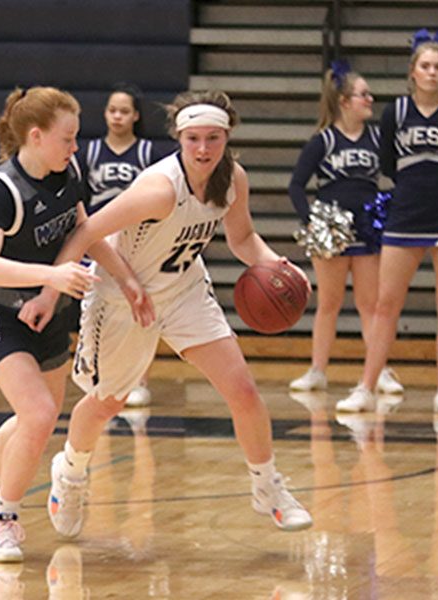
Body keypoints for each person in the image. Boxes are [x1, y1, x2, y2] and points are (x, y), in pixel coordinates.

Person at [36, 90, 314, 537]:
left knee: (242, 389)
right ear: (179, 139)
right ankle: (69, 473)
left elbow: (242, 239)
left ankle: (268, 487)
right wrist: (54, 291)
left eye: (213, 138)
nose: (203, 149)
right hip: (126, 297)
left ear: (227, 138)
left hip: (183, 291)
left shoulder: (232, 179)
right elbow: (86, 231)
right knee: (109, 402)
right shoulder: (159, 189)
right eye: (193, 139)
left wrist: (272, 263)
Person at [0, 86, 151, 563]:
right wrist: (51, 276)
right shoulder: (0, 189)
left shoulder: (69, 173)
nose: (76, 148)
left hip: (50, 312)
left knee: (33, 421)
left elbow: (87, 232)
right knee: (39, 415)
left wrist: (126, 279)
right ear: (36, 137)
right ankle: (5, 518)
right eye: (68, 139)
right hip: (0, 313)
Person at [337, 30, 438, 414]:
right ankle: (366, 386)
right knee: (385, 304)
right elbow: (388, 166)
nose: (432, 73)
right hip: (407, 210)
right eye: (425, 66)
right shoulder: (395, 111)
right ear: (412, 71)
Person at [288, 62, 403, 395]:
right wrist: (311, 222)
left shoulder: (379, 139)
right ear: (344, 100)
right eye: (363, 94)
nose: (370, 99)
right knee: (329, 303)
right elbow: (296, 185)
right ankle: (317, 371)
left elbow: (397, 177)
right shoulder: (323, 141)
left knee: (371, 304)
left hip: (367, 229)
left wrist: (388, 207)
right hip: (332, 231)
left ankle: (378, 371)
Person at [76, 83, 168, 407]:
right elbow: (80, 200)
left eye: (124, 111)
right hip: (100, 240)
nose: (117, 116)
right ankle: (97, 376)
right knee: (97, 307)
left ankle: (140, 381)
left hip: (136, 239)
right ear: (104, 114)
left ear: (136, 116)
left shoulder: (148, 153)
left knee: (141, 307)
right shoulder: (88, 152)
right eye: (112, 110)